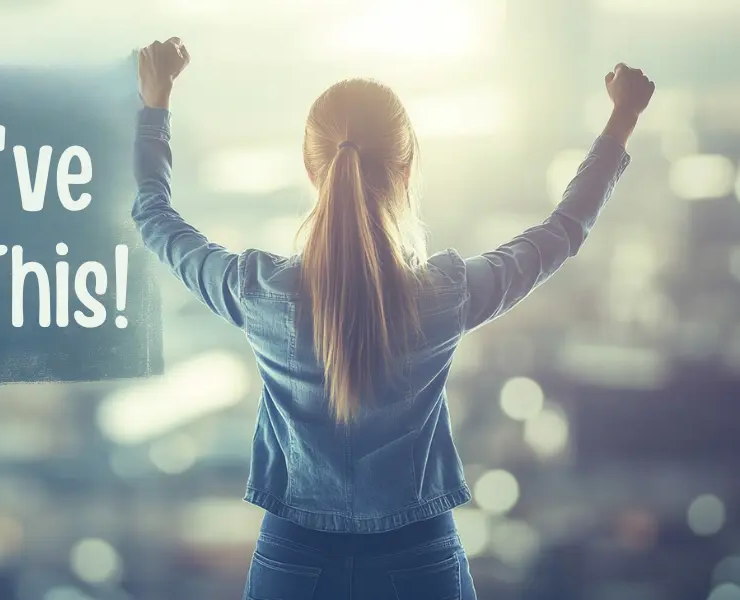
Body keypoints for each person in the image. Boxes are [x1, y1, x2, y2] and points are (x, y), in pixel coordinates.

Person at [133, 37, 654, 600]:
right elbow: (560, 232)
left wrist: (155, 102)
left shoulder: (259, 290)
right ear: (406, 171)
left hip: (295, 559)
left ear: (314, 174)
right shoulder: (444, 294)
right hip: (418, 558)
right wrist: (620, 121)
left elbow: (156, 219)